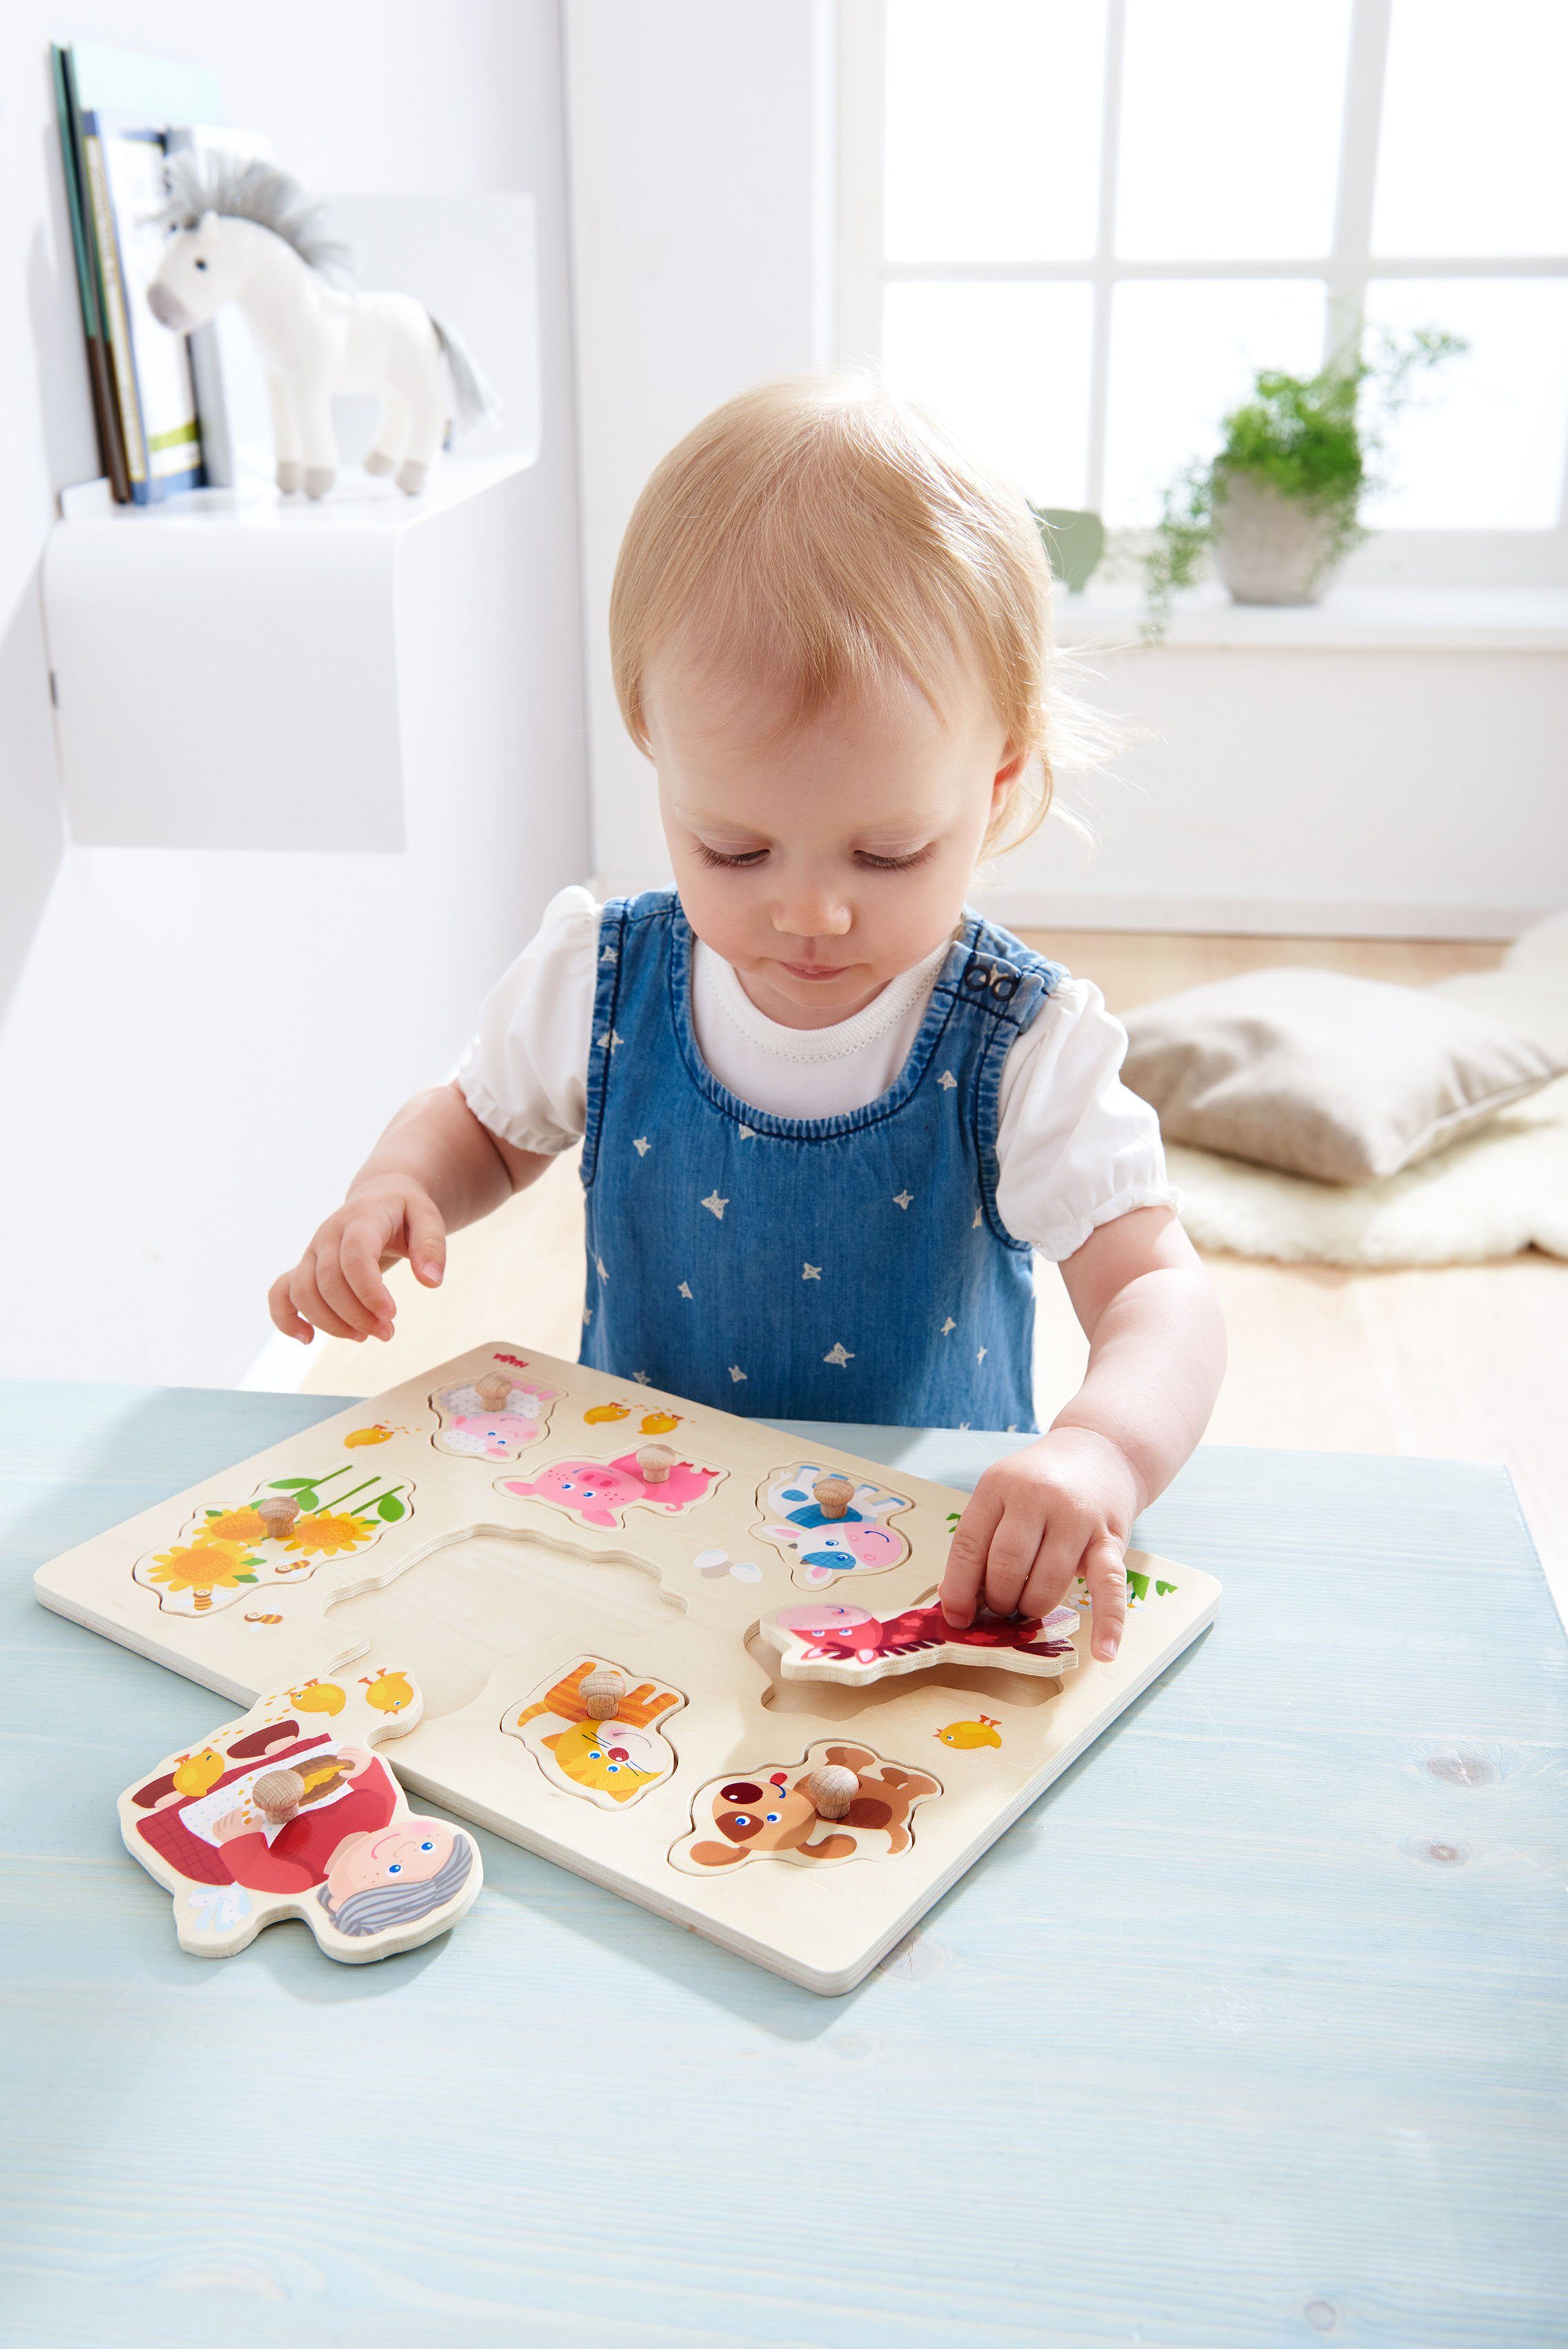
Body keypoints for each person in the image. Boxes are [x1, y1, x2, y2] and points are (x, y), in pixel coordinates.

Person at [269, 377, 1225, 1661]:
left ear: (993, 784)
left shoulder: (1021, 1046)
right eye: (734, 848)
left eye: (888, 855)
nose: (811, 914)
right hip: (631, 1537)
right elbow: (482, 1128)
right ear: (656, 749)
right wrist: (398, 1183)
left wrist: (1101, 1452)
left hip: (930, 1568)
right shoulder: (599, 980)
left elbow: (1159, 1293)